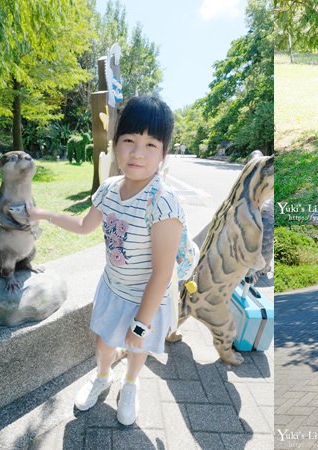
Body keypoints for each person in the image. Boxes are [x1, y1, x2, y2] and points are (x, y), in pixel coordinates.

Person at [27, 96, 194, 426]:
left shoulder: (162, 201)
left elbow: (161, 273)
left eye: (150, 144)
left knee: (136, 348)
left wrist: (141, 323)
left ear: (164, 153)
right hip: (114, 289)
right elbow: (83, 226)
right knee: (104, 344)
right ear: (116, 143)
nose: (137, 153)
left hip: (146, 300)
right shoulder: (108, 189)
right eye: (129, 140)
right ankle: (102, 377)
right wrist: (44, 215)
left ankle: (130, 384)